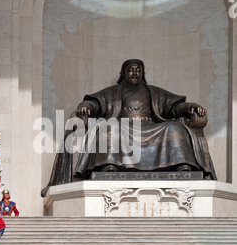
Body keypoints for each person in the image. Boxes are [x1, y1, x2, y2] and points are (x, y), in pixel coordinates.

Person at [41, 59, 216, 196]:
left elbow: (175, 107)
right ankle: (109, 166)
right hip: (123, 126)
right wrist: (85, 106)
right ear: (123, 73)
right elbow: (95, 103)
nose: (135, 72)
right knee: (109, 128)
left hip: (152, 126)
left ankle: (182, 165)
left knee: (175, 129)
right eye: (131, 69)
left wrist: (191, 106)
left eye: (138, 70)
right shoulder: (113, 91)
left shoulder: (154, 92)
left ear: (143, 73)